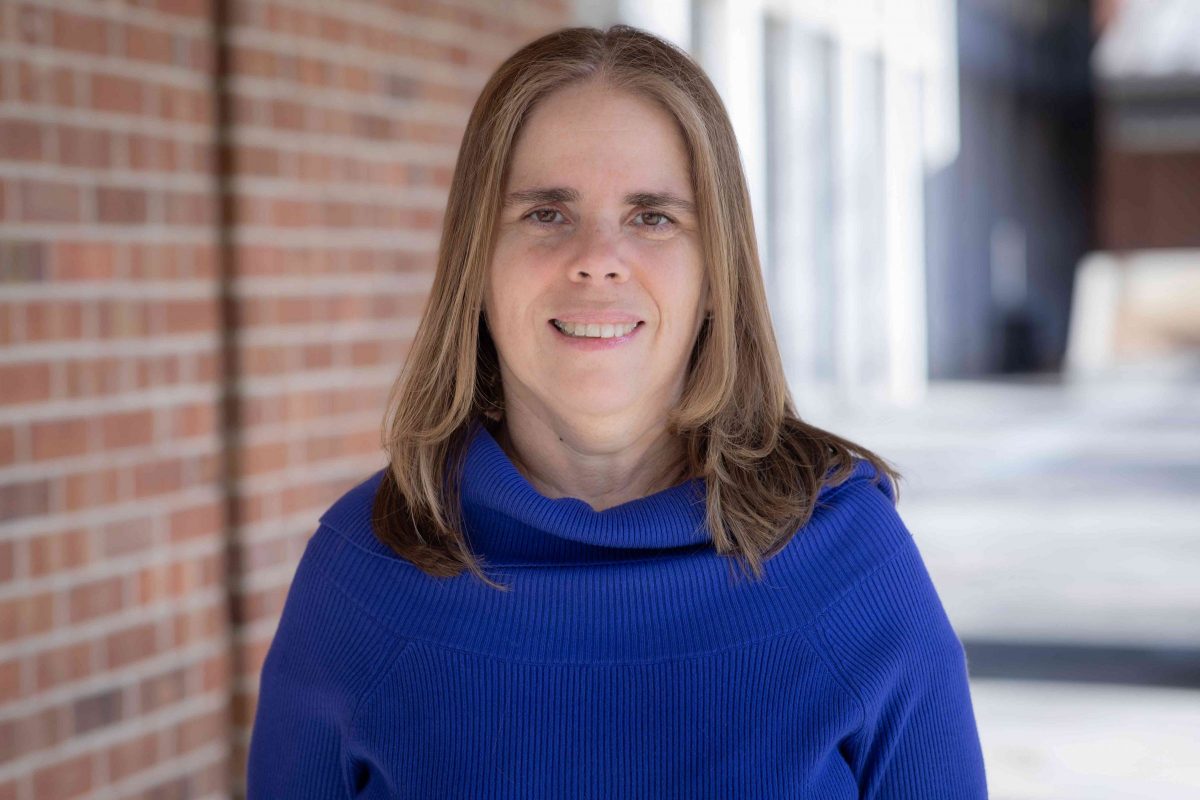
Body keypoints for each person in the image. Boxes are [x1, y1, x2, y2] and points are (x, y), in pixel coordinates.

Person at [246, 25, 988, 799]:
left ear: (716, 272)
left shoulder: (850, 564)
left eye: (653, 216)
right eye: (545, 213)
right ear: (477, 263)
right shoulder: (363, 574)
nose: (598, 256)